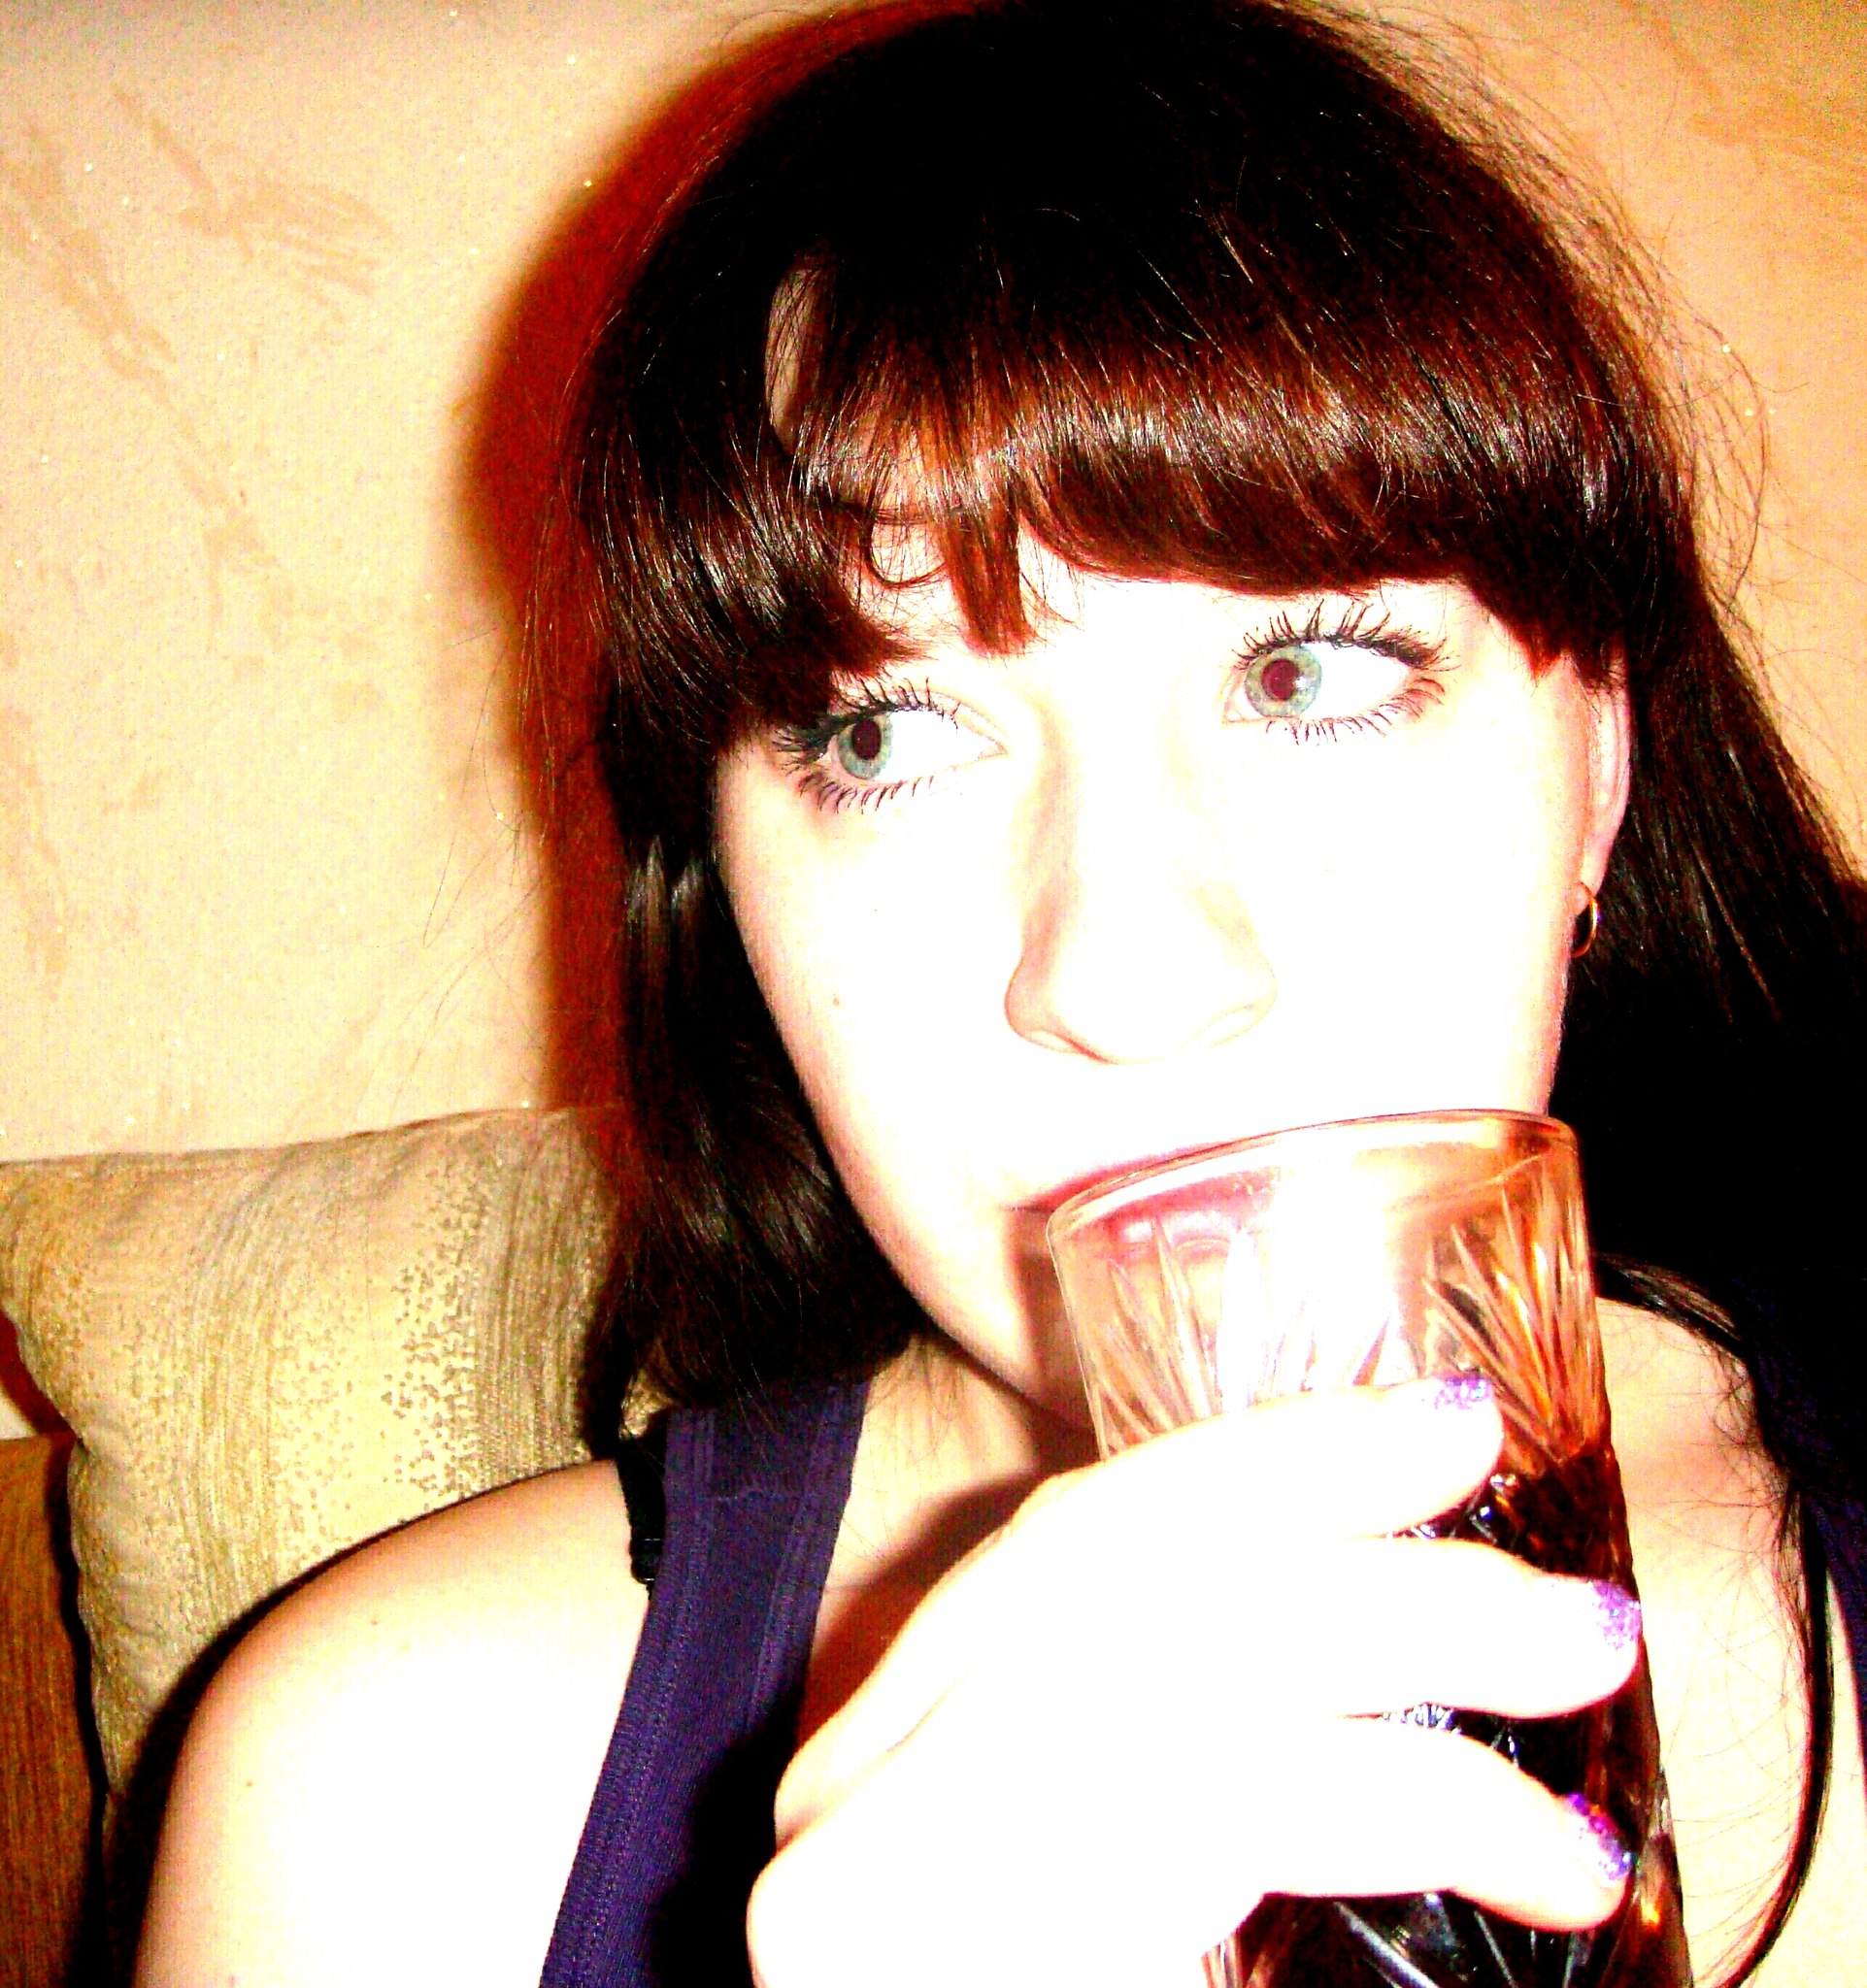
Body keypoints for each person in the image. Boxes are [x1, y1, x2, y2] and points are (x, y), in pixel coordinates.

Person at [136, 2, 1867, 1983]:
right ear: (728, 893)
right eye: (888, 736)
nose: (1125, 977)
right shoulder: (382, 1806)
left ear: (1599, 782)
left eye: (1307, 675)